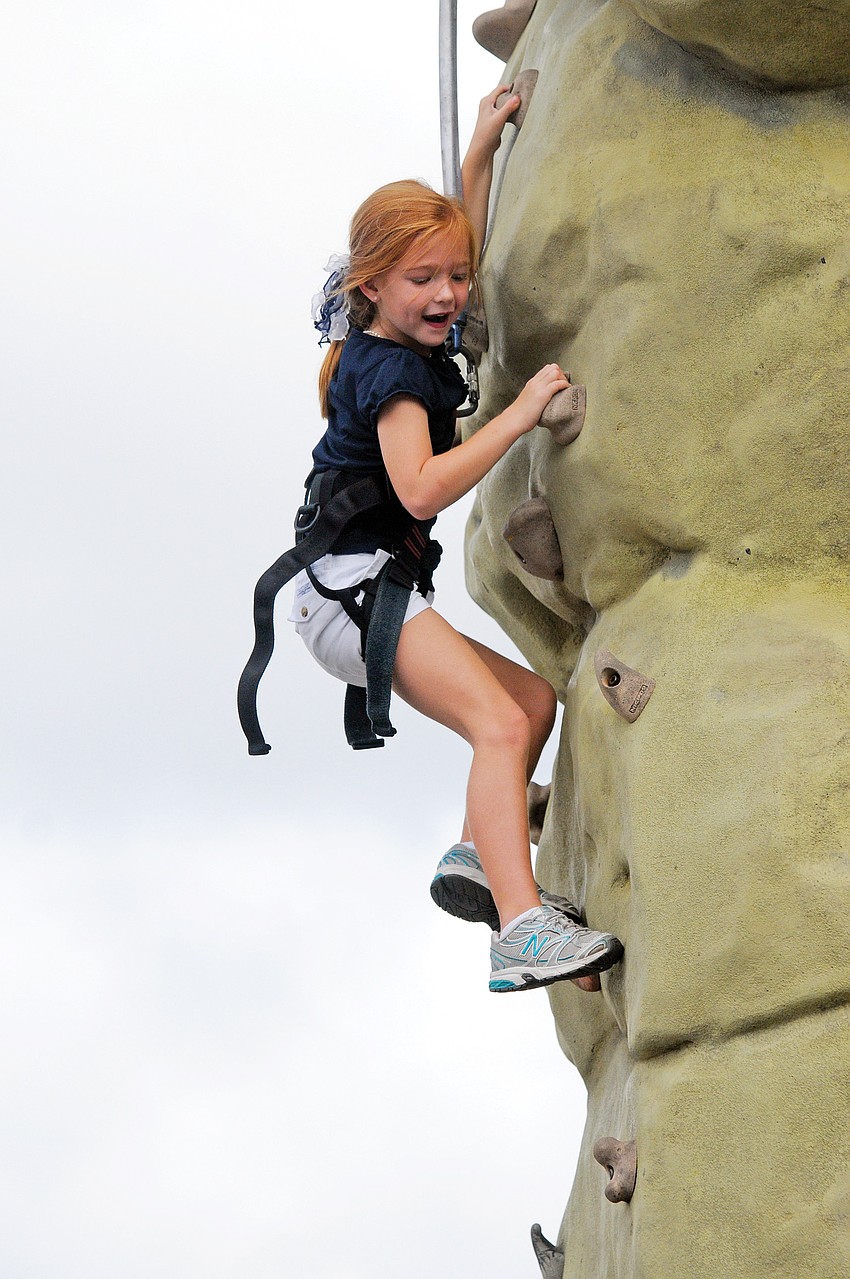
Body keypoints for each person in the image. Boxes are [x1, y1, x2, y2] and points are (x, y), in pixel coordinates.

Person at [287, 87, 624, 993]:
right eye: (423, 281)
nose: (449, 294)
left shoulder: (404, 324)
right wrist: (516, 416)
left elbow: (457, 237)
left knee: (532, 702)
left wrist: (479, 152)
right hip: (351, 590)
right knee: (500, 723)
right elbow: (421, 486)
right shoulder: (392, 371)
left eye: (457, 278)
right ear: (371, 287)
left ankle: (480, 856)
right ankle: (519, 927)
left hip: (369, 586)